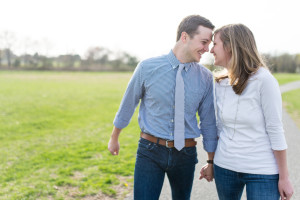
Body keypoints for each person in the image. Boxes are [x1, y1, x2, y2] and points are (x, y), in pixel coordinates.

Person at [108, 15, 218, 200]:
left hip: (186, 154)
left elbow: (208, 122)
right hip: (150, 151)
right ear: (185, 37)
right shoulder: (147, 68)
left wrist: (211, 161)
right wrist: (114, 137)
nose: (207, 49)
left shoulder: (206, 78)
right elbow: (128, 103)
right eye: (204, 42)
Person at [210, 24, 294, 200]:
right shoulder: (220, 84)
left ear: (230, 46)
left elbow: (275, 129)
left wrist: (284, 177)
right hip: (225, 168)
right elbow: (218, 128)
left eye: (215, 44)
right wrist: (210, 162)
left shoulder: (264, 80)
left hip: (261, 172)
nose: (211, 50)